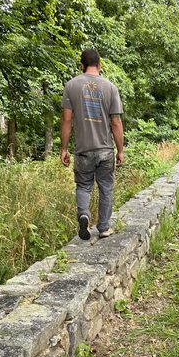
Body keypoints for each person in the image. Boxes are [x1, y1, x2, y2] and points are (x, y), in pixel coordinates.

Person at [60, 48, 124, 240]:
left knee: (83, 186)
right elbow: (116, 122)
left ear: (82, 65)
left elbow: (66, 120)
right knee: (106, 187)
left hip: (83, 150)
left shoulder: (71, 86)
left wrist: (63, 148)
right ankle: (103, 228)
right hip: (105, 149)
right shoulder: (110, 87)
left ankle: (84, 214)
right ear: (100, 65)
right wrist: (120, 150)